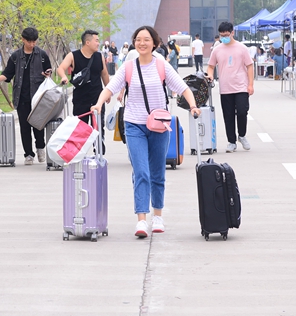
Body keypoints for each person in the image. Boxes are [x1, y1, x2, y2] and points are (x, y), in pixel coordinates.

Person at [90, 26, 201, 238]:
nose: (142, 43)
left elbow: (183, 88)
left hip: (159, 125)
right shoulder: (128, 67)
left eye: (146, 39)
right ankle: (141, 219)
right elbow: (110, 88)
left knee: (158, 172)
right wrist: (99, 103)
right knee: (141, 171)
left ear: (155, 43)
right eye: (138, 39)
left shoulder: (162, 66)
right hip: (134, 125)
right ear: (134, 43)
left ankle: (157, 216)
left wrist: (193, 106)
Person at [0, 27, 52, 166]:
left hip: (38, 98)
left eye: (34, 41)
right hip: (21, 97)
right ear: (23, 40)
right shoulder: (16, 56)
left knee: (38, 125)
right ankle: (28, 154)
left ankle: (40, 148)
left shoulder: (42, 55)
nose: (32, 44)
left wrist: (48, 73)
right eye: (29, 41)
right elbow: (8, 73)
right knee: (25, 127)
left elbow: (48, 70)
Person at [206, 22, 254, 154]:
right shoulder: (217, 49)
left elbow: (250, 66)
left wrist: (250, 84)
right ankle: (231, 141)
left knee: (242, 111)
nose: (224, 38)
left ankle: (242, 135)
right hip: (225, 87)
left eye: (226, 35)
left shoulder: (242, 48)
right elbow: (210, 66)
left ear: (232, 33)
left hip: (241, 86)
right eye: (222, 36)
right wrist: (210, 75)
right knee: (228, 115)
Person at [57, 29, 110, 138]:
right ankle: (81, 149)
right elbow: (60, 68)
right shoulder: (73, 56)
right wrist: (63, 76)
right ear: (87, 42)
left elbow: (104, 74)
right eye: (96, 40)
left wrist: (108, 91)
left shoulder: (99, 56)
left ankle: (99, 148)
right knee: (80, 130)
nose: (98, 43)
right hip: (80, 100)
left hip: (97, 98)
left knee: (98, 129)